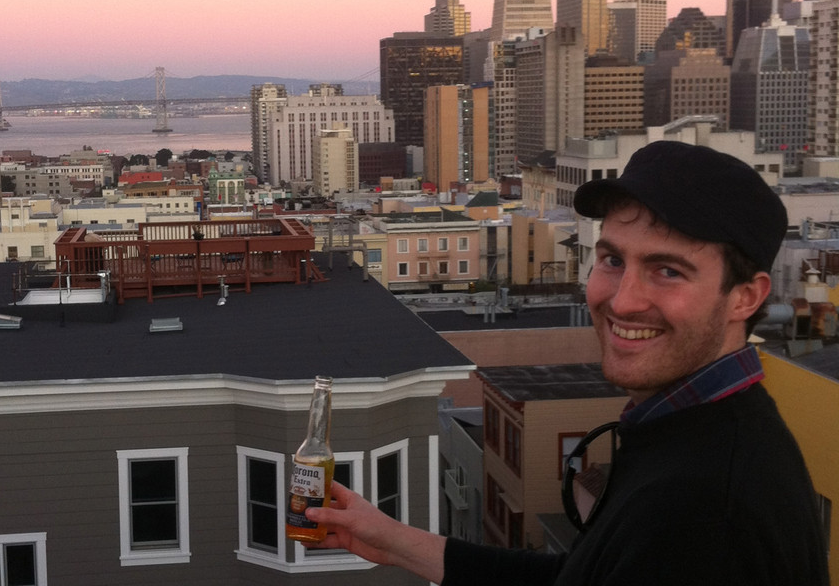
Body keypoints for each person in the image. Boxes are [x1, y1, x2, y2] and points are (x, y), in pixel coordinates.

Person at [305, 141, 829, 585]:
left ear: (745, 297)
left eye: (667, 271)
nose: (623, 300)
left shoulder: (708, 513)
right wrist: (393, 542)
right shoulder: (690, 431)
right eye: (613, 260)